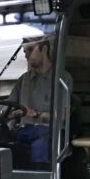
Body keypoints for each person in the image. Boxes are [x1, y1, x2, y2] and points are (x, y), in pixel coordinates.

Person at [6, 35, 67, 165]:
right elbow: (8, 106)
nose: (26, 55)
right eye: (25, 52)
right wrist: (7, 113)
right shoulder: (23, 79)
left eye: (30, 50)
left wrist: (35, 114)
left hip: (51, 132)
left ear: (44, 49)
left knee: (40, 145)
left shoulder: (62, 79)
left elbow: (63, 117)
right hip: (23, 131)